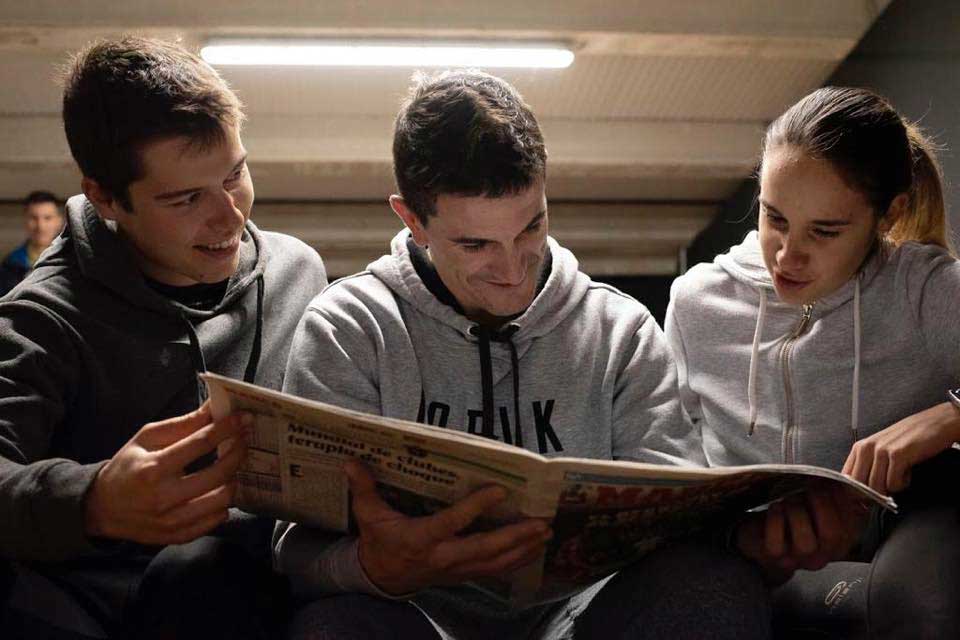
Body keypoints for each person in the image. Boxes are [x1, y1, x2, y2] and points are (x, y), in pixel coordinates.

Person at [275, 70, 770, 640]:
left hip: (580, 619)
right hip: (414, 616)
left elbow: (681, 527)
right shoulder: (350, 329)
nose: (513, 271)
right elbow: (294, 553)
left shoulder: (620, 330)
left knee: (715, 587)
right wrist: (375, 567)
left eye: (531, 226)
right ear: (412, 221)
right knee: (330, 628)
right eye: (475, 244)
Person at [0, 37, 327, 639]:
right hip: (99, 609)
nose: (231, 217)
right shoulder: (39, 318)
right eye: (186, 198)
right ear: (105, 197)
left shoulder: (298, 272)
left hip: (260, 589)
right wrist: (90, 499)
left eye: (235, 175)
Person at [666, 86, 960, 638]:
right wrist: (741, 538)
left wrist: (946, 419)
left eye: (824, 232)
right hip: (748, 559)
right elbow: (672, 460)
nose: (787, 254)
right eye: (774, 218)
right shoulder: (696, 303)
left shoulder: (923, 291)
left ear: (887, 214)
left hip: (895, 554)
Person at [0, 190, 65, 295]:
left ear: (59, 221)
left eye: (47, 218)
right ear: (25, 220)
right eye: (34, 218)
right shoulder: (10, 265)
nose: (40, 226)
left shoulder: (74, 261)